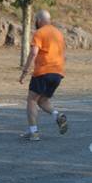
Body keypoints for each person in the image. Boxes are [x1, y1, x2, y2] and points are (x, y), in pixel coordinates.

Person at [19, 10, 67, 141]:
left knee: (31, 100)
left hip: (43, 72)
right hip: (58, 73)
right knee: (42, 100)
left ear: (39, 20)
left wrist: (25, 71)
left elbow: (33, 53)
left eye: (36, 20)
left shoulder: (39, 32)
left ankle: (34, 132)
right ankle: (57, 115)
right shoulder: (58, 33)